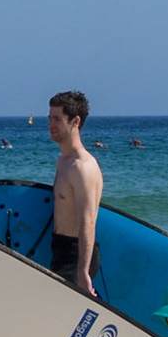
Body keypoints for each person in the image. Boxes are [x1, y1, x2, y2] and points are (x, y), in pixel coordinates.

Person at [46, 90, 101, 297]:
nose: (51, 125)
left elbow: (88, 222)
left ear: (75, 121)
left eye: (57, 119)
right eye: (50, 118)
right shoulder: (63, 162)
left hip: (76, 255)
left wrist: (82, 272)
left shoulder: (83, 167)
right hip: (58, 248)